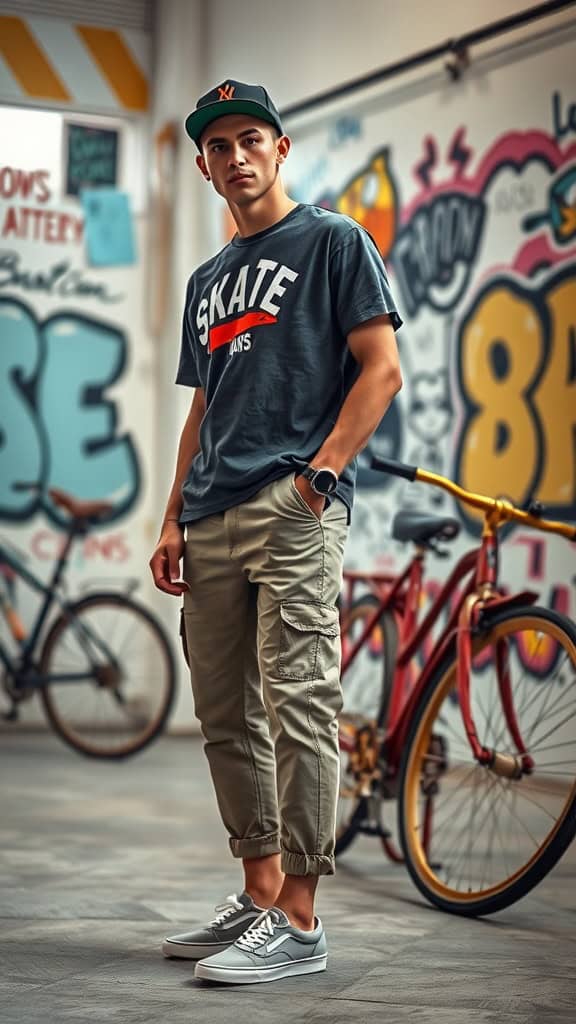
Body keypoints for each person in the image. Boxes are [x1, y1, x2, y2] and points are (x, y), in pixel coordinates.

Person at [149, 78, 403, 985]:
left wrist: (320, 477)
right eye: (219, 148)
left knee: (299, 703)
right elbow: (203, 408)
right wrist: (175, 512)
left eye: (251, 139)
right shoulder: (207, 280)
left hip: (293, 506)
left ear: (280, 147)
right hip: (211, 513)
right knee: (225, 715)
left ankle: (300, 917)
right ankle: (259, 894)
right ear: (206, 165)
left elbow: (382, 370)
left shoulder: (334, 242)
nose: (237, 158)